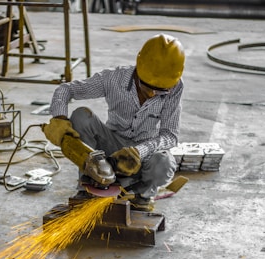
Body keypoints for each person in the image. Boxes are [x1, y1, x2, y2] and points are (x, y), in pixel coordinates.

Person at [43, 33, 185, 211]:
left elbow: (170, 136)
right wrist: (59, 118)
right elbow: (65, 90)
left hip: (145, 151)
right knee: (81, 116)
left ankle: (141, 196)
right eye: (147, 87)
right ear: (138, 69)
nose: (151, 95)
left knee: (163, 164)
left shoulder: (175, 86)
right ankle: (89, 184)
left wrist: (139, 151)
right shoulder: (113, 79)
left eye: (160, 91)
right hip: (111, 146)